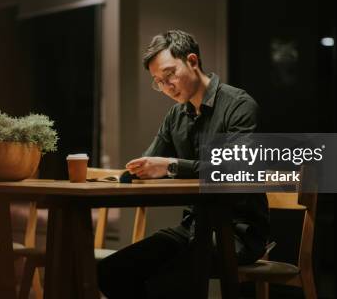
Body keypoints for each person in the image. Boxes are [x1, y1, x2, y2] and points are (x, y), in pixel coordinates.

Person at [97, 30, 269, 298]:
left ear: (192, 61)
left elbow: (235, 170)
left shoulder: (239, 105)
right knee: (110, 271)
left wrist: (172, 166)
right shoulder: (177, 115)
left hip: (237, 232)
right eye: (158, 82)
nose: (166, 87)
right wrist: (124, 175)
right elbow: (148, 164)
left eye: (169, 75)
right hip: (192, 228)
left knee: (164, 279)